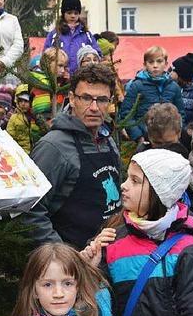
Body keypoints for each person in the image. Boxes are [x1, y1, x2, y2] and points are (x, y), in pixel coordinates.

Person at [82, 149, 193, 316]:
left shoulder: (189, 249)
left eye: (135, 181)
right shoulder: (111, 238)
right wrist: (88, 270)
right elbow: (95, 313)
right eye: (127, 177)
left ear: (161, 192)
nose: (123, 185)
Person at [24, 64, 122, 249]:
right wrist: (65, 258)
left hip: (109, 257)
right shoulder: (54, 147)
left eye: (101, 100)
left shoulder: (108, 140)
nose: (94, 107)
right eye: (86, 98)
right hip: (72, 264)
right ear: (72, 98)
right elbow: (32, 210)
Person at [0, 243, 113, 316]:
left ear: (78, 287)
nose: (58, 294)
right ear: (34, 291)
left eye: (68, 283)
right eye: (48, 284)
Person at [119, 46, 185, 143]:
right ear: (145, 65)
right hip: (145, 138)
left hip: (169, 139)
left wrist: (176, 134)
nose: (155, 65)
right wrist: (138, 136)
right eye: (151, 62)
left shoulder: (174, 87)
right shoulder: (137, 85)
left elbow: (180, 114)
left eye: (159, 61)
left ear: (166, 64)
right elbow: (126, 113)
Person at [43, 0, 101, 75]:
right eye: (69, 13)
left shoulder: (87, 35)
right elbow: (46, 57)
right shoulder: (54, 35)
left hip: (82, 77)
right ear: (63, 13)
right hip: (60, 79)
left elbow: (97, 54)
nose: (73, 16)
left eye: (76, 13)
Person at [31, 47, 70, 124]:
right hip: (43, 128)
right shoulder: (42, 83)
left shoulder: (57, 82)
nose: (63, 70)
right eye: (60, 66)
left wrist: (64, 83)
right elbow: (42, 112)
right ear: (48, 63)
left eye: (65, 67)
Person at [0, 0, 24, 75]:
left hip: (9, 72)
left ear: (4, 0)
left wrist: (4, 62)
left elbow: (18, 45)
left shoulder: (13, 20)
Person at [171, 52, 193, 126]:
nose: (170, 73)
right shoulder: (171, 89)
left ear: (181, 74)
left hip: (187, 135)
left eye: (173, 70)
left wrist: (185, 132)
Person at [7, 84, 40, 154]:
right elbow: (9, 137)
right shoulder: (14, 117)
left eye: (26, 101)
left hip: (36, 151)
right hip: (20, 152)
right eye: (20, 101)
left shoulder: (36, 116)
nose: (23, 104)